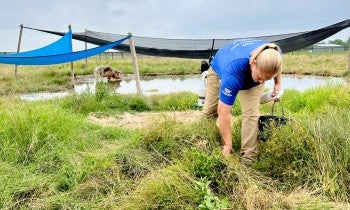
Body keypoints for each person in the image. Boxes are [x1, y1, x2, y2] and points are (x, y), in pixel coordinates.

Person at [201, 39, 282, 166]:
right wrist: (228, 144)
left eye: (266, 79)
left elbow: (276, 68)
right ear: (253, 63)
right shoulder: (232, 72)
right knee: (210, 112)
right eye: (260, 77)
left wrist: (277, 84)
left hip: (249, 71)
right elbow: (224, 112)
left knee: (251, 114)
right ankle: (207, 143)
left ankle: (248, 160)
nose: (261, 82)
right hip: (220, 70)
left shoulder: (273, 54)